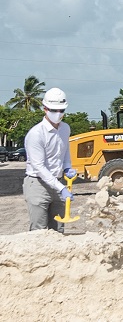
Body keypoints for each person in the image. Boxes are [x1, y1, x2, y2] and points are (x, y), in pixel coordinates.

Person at [22, 88, 77, 232]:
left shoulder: (65, 128)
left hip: (58, 182)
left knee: (58, 229)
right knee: (39, 231)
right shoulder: (36, 134)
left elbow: (65, 151)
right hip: (37, 184)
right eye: (54, 110)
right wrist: (62, 188)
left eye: (61, 110)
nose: (58, 114)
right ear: (45, 109)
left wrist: (67, 167)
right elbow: (39, 167)